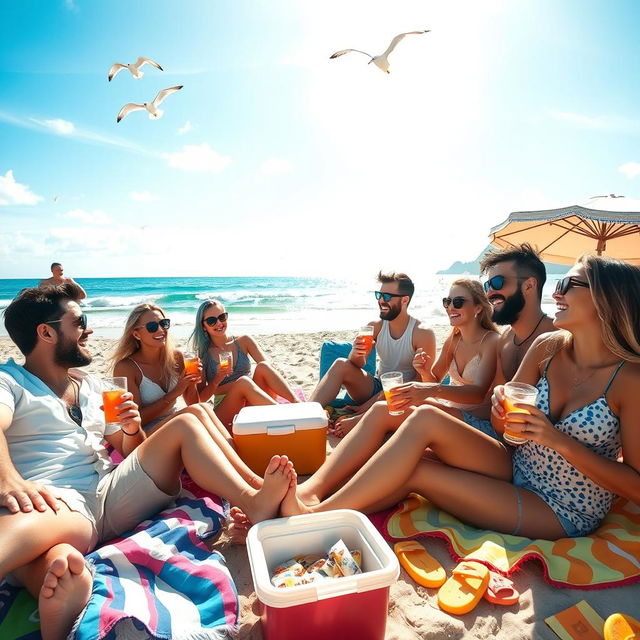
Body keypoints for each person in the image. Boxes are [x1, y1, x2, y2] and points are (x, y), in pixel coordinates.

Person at [0, 284, 295, 640]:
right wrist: (8, 480)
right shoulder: (10, 381)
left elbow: (127, 451)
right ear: (46, 332)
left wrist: (130, 429)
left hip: (108, 489)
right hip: (54, 499)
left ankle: (254, 500)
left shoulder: (92, 385)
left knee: (188, 420)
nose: (88, 329)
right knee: (62, 564)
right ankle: (60, 584)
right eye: (80, 321)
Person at [281, 255, 640, 543]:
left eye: (566, 284)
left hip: (560, 506)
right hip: (515, 462)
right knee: (419, 417)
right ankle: (310, 494)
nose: (556, 294)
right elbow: (503, 424)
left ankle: (313, 518)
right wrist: (500, 408)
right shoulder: (549, 348)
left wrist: (555, 438)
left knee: (417, 470)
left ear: (607, 297)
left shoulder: (629, 380)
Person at [310, 271, 435, 435]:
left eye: (388, 296)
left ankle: (360, 418)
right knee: (341, 364)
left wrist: (366, 407)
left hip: (404, 396)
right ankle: (308, 413)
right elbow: (357, 365)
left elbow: (421, 383)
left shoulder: (422, 333)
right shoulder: (375, 327)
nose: (381, 300)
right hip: (377, 388)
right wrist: (356, 353)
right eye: (379, 295)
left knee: (392, 388)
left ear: (405, 300)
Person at [110, 304, 246, 450]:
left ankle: (234, 452)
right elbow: (135, 420)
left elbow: (193, 403)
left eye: (164, 323)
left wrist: (191, 382)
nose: (161, 330)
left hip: (178, 422)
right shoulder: (126, 367)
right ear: (136, 334)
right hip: (145, 433)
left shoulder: (177, 357)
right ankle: (235, 453)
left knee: (201, 408)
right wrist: (176, 392)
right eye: (152, 326)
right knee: (197, 412)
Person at [187, 299, 298, 428]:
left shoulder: (244, 341)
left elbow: (269, 369)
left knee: (263, 366)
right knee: (243, 382)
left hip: (253, 399)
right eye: (212, 321)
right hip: (226, 409)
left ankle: (298, 403)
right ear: (203, 325)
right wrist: (218, 379)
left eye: (222, 317)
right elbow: (200, 399)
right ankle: (286, 416)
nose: (219, 323)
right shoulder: (203, 356)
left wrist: (248, 383)